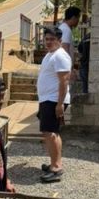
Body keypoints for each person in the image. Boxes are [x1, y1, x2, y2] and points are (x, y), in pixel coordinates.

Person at [37, 25, 71, 183]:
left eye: (52, 39)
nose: (48, 42)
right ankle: (53, 163)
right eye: (47, 39)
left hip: (53, 100)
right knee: (49, 132)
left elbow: (64, 81)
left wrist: (59, 104)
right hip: (47, 99)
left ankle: (56, 168)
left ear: (60, 40)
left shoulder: (60, 56)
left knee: (51, 133)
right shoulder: (51, 54)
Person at [77, 29, 90, 93]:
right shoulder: (92, 37)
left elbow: (79, 49)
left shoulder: (86, 37)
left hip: (83, 65)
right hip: (88, 66)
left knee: (85, 89)